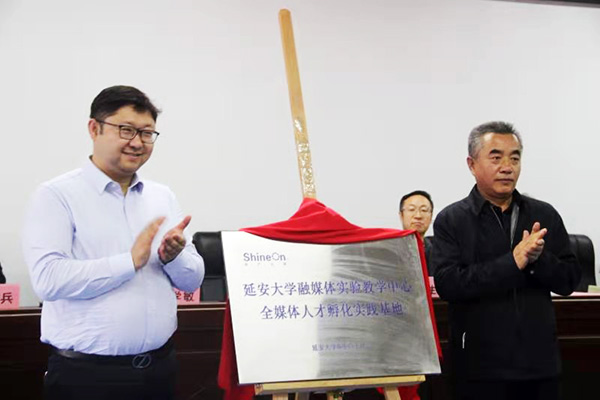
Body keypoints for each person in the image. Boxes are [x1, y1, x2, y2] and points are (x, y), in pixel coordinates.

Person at [22, 85, 204, 400]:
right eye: (126, 130)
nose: (137, 142)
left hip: (159, 369)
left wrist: (173, 257)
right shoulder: (56, 196)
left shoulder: (162, 196)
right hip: (86, 377)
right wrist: (128, 262)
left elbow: (192, 281)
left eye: (147, 133)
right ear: (94, 128)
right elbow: (48, 280)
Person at [431, 121, 581, 400]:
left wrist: (538, 259)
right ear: (472, 164)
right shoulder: (452, 220)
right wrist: (513, 262)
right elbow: (449, 283)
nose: (507, 167)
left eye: (514, 158)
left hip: (539, 366)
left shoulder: (543, 214)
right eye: (496, 157)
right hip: (479, 369)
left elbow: (569, 280)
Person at [400, 190, 434, 268]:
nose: (418, 216)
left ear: (431, 216)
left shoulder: (439, 250)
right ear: (401, 215)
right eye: (412, 209)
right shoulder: (391, 248)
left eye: (424, 210)